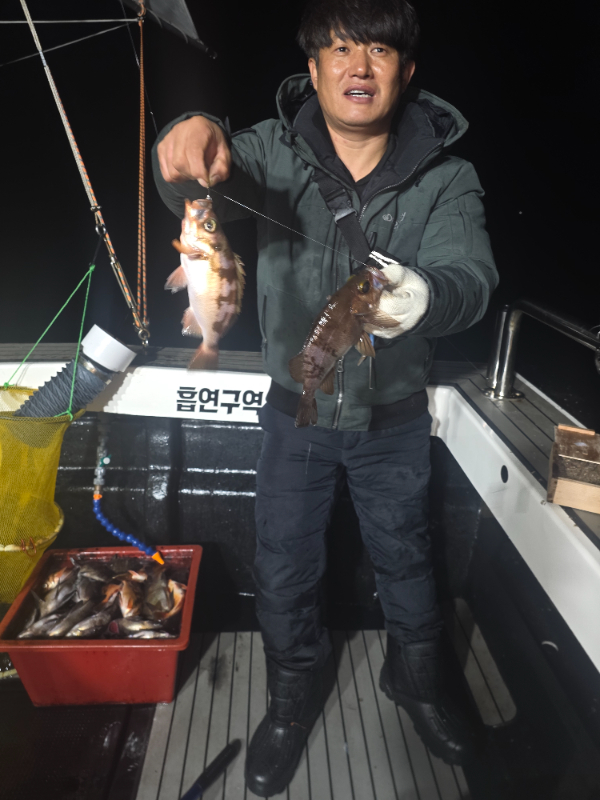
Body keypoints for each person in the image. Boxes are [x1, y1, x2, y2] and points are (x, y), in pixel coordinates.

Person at [153, 0, 498, 794]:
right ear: (312, 70)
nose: (358, 66)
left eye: (378, 50)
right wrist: (186, 135)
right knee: (284, 565)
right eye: (340, 49)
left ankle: (416, 680)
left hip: (395, 419)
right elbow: (194, 187)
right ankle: (290, 699)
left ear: (406, 72)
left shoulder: (447, 176)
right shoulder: (268, 152)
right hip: (292, 415)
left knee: (407, 558)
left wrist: (429, 295)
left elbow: (472, 279)